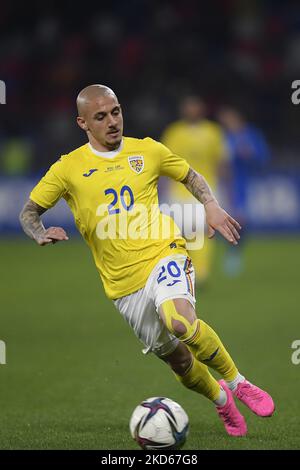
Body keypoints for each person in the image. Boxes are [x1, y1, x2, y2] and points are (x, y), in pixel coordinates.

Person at [19, 84, 274, 437]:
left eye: (116, 112)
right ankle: (221, 400)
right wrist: (38, 232)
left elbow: (190, 175)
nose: (112, 121)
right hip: (124, 286)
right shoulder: (68, 169)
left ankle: (238, 383)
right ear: (82, 123)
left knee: (180, 322)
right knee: (180, 360)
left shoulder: (148, 150)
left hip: (163, 251)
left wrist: (211, 205)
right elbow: (30, 211)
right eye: (101, 116)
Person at [161, 95, 227, 284]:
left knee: (203, 232)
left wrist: (224, 188)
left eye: (195, 106)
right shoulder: (174, 132)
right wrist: (162, 189)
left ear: (201, 109)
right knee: (183, 235)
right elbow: (164, 163)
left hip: (206, 191)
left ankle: (202, 272)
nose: (192, 110)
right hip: (178, 192)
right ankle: (190, 270)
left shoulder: (213, 132)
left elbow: (221, 162)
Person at [217, 106, 271, 276]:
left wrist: (250, 153)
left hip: (245, 184)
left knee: (241, 220)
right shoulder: (223, 136)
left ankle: (234, 254)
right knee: (226, 218)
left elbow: (263, 157)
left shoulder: (251, 135)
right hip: (224, 184)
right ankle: (230, 253)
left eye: (228, 117)